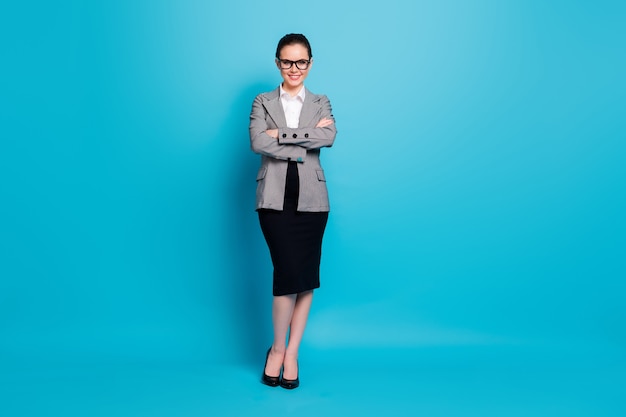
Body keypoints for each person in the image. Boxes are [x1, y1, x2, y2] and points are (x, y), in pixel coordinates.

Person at [249, 33, 336, 389]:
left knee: (305, 278)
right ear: (277, 63)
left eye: (301, 61)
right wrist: (302, 140)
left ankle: (292, 353)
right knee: (287, 274)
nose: (294, 68)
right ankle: (277, 349)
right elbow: (258, 141)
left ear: (310, 63)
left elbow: (329, 137)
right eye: (288, 61)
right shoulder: (262, 100)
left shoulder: (321, 101)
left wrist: (282, 136)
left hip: (313, 202)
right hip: (273, 199)